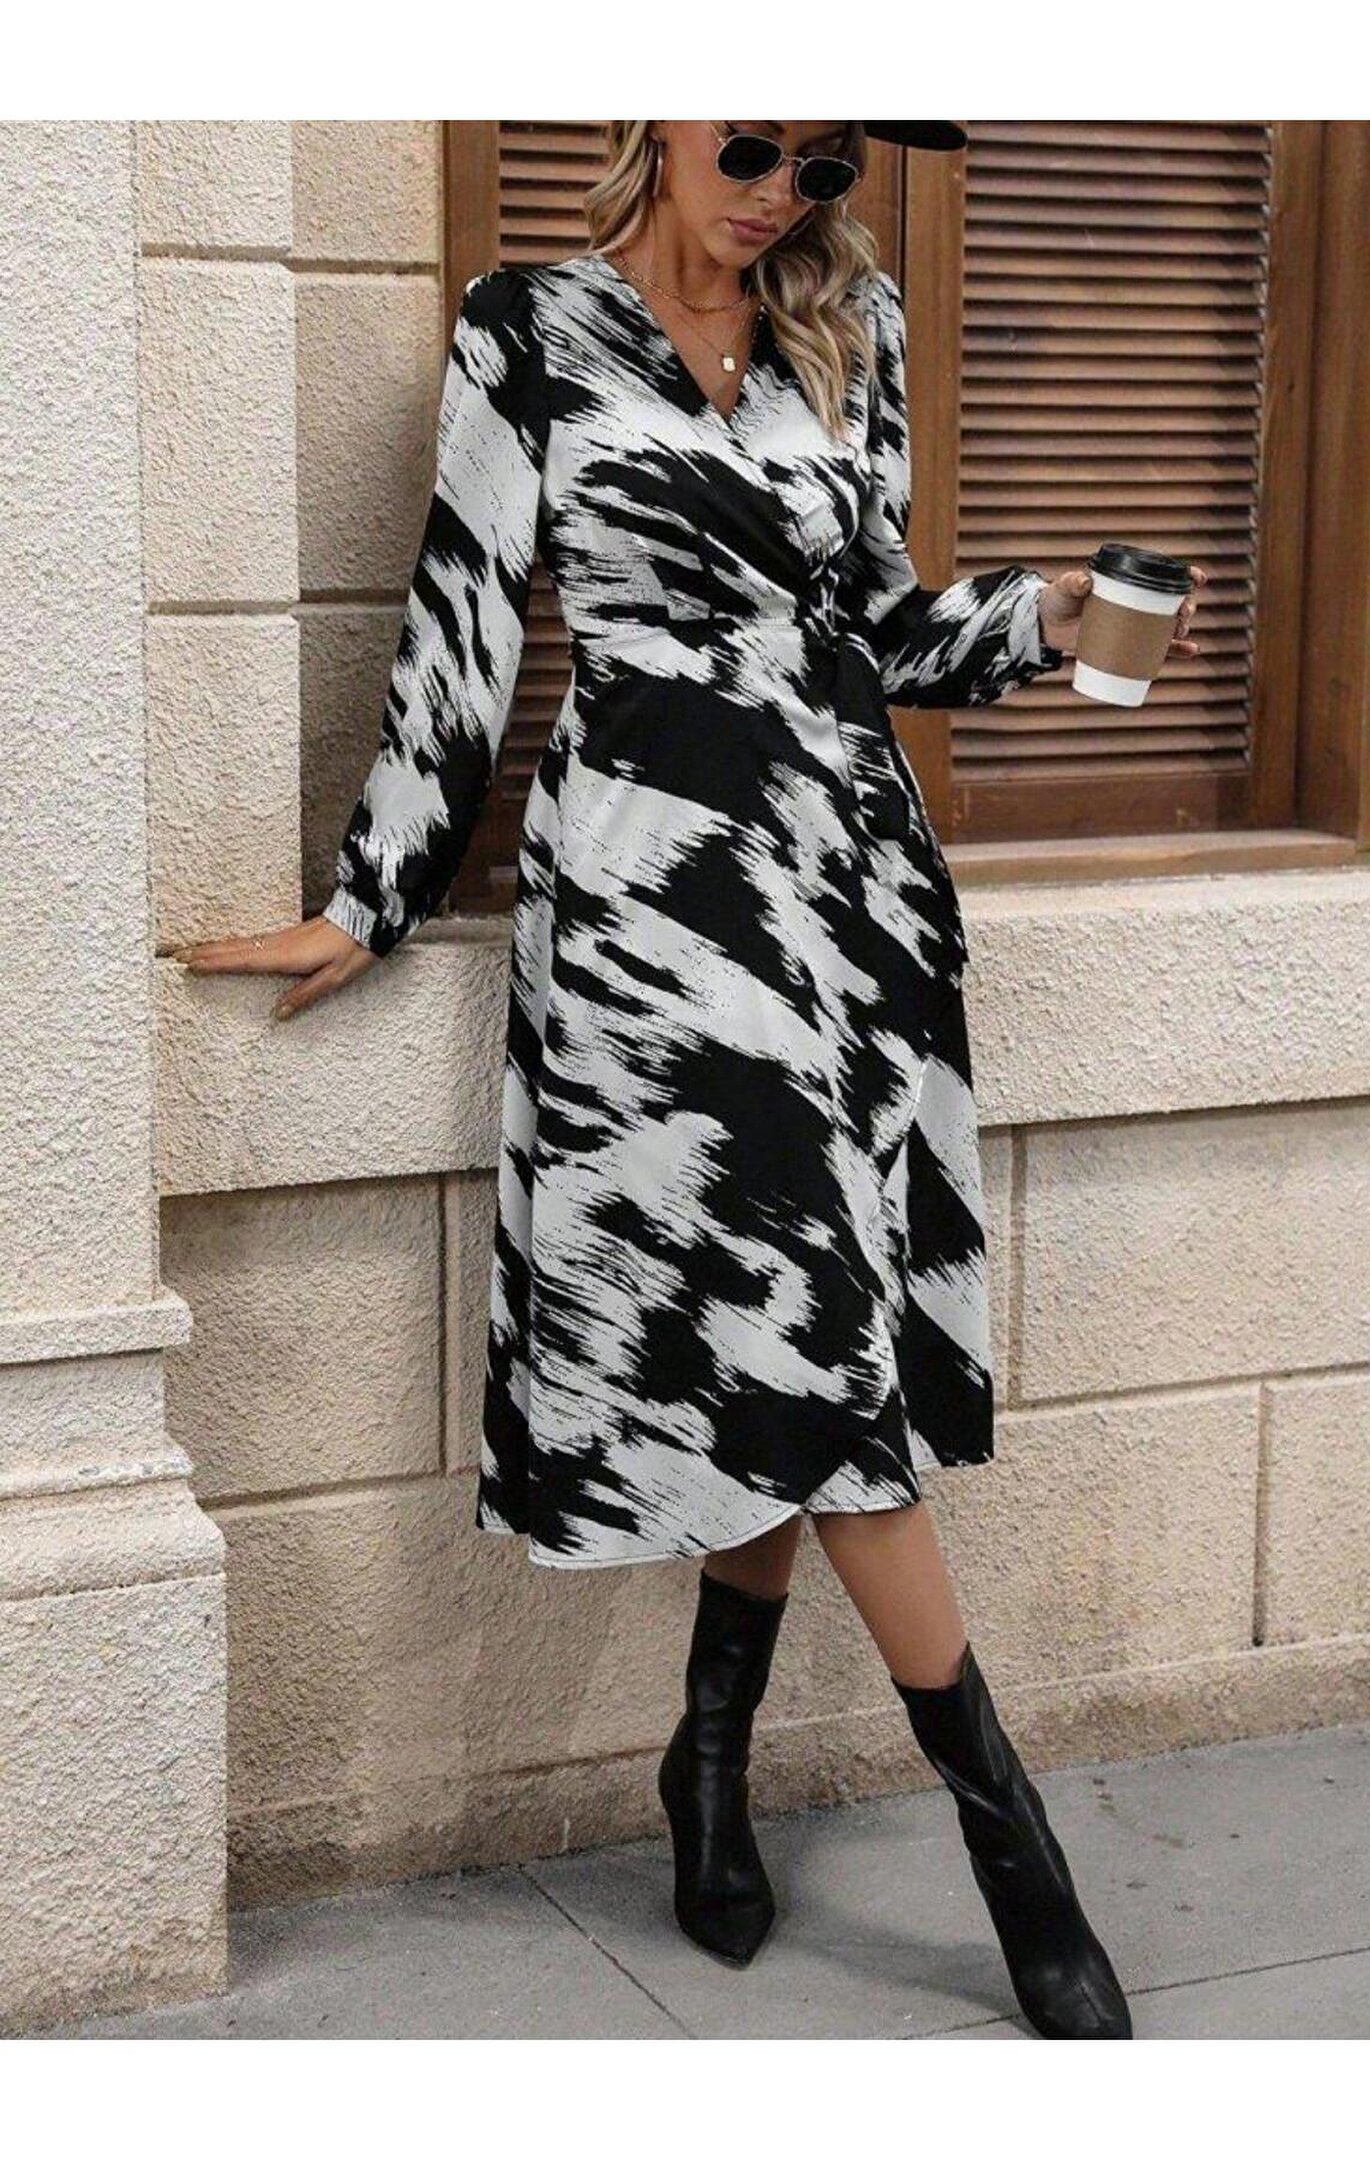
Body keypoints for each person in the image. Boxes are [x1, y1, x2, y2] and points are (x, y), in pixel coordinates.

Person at [176, 120, 1206, 2039]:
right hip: (657, 910)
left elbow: (878, 623)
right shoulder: (530, 328)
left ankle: (708, 1752)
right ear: (655, 105)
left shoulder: (846, 324)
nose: (779, 188)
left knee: (785, 1330)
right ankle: (1016, 1853)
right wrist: (372, 898)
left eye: (821, 157)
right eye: (748, 141)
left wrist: (1049, 616)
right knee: (813, 1340)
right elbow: (467, 620)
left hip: (849, 896)